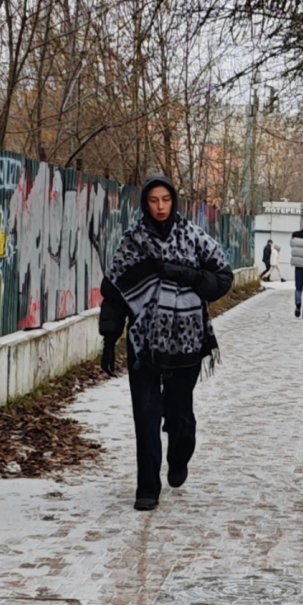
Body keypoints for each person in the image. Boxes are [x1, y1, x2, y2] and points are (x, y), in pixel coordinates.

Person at [99, 174, 234, 511]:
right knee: (145, 415)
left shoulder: (193, 238)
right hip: (143, 342)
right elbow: (114, 292)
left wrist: (186, 274)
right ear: (145, 203)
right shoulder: (132, 241)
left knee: (179, 415)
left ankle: (179, 454)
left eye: (166, 200)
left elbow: (223, 279)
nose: (160, 207)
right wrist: (108, 339)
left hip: (186, 340)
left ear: (174, 201)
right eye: (153, 200)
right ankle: (147, 488)